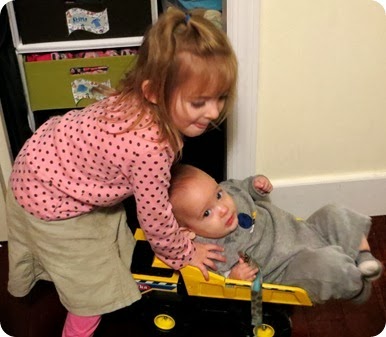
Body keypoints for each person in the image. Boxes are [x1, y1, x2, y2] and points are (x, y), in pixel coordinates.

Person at [6, 8, 237, 337]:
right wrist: (184, 253)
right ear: (154, 92)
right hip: (50, 197)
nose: (214, 112)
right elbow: (154, 218)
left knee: (112, 232)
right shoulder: (152, 148)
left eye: (221, 97)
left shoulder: (136, 98)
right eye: (199, 102)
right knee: (91, 289)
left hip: (36, 161)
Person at [169, 164, 384, 304]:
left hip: (304, 230)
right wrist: (233, 277)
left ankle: (363, 256)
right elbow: (213, 282)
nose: (223, 208)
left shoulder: (228, 191)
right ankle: (358, 286)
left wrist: (255, 185)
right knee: (326, 266)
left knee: (334, 212)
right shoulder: (207, 249)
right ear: (188, 232)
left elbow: (241, 187)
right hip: (288, 267)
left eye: (218, 194)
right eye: (207, 213)